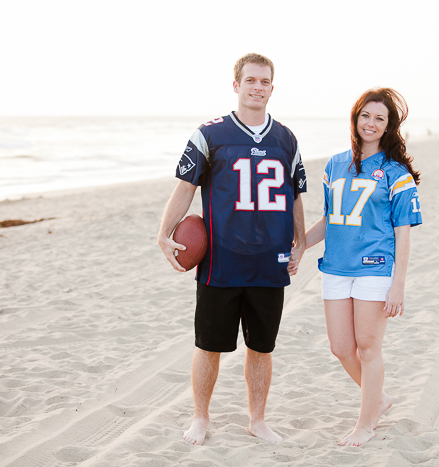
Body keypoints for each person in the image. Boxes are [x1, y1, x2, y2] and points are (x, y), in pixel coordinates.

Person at [157, 53, 306, 446]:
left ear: (273, 88)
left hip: (269, 263)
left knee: (262, 348)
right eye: (251, 80)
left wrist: (302, 241)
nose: (258, 87)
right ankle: (200, 417)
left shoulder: (286, 139)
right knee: (208, 347)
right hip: (220, 263)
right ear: (236, 84)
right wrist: (163, 233)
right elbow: (186, 188)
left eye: (265, 81)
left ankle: (257, 420)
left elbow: (294, 197)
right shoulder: (211, 134)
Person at [293, 88, 421, 447]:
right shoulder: (335, 165)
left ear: (388, 127)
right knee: (340, 347)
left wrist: (398, 285)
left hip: (375, 269)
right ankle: (378, 398)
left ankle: (365, 424)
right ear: (356, 118)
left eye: (380, 118)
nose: (371, 123)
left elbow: (403, 234)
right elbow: (330, 219)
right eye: (366, 115)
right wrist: (300, 246)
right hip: (335, 267)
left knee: (368, 348)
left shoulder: (396, 174)